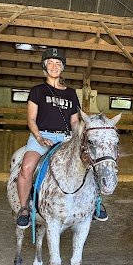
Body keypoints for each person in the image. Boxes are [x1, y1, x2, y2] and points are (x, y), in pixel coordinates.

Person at [15, 47, 108, 228]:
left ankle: (96, 203)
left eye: (58, 63)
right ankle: (24, 208)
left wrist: (77, 137)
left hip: (66, 138)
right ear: (45, 66)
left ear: (62, 67)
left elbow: (74, 121)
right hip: (42, 135)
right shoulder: (37, 91)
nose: (54, 66)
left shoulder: (71, 93)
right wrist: (39, 138)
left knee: (90, 164)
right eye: (50, 63)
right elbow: (31, 119)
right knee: (26, 168)